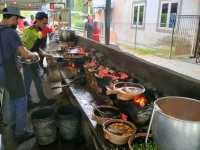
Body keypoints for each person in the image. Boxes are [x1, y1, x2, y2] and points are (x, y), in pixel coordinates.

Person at [0, 6, 39, 140]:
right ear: (13, 18)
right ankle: (20, 132)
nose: (17, 23)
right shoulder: (11, 32)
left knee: (12, 97)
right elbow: (25, 54)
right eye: (17, 20)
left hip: (1, 72)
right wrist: (34, 54)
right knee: (21, 99)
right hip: (9, 70)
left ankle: (14, 124)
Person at [22, 12, 50, 107]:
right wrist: (29, 56)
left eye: (46, 23)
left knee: (38, 80)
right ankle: (27, 102)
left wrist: (45, 54)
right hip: (28, 61)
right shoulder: (29, 31)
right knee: (27, 82)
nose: (45, 25)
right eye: (44, 23)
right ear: (37, 21)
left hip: (34, 60)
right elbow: (22, 47)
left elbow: (37, 48)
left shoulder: (38, 31)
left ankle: (42, 99)